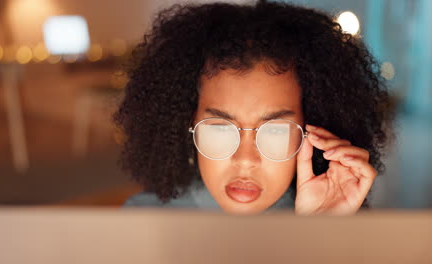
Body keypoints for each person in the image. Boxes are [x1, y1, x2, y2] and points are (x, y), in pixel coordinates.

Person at [114, 0, 395, 215]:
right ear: (187, 126)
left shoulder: (340, 228)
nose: (246, 160)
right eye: (221, 128)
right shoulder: (143, 220)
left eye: (274, 131)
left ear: (310, 135)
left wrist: (318, 232)